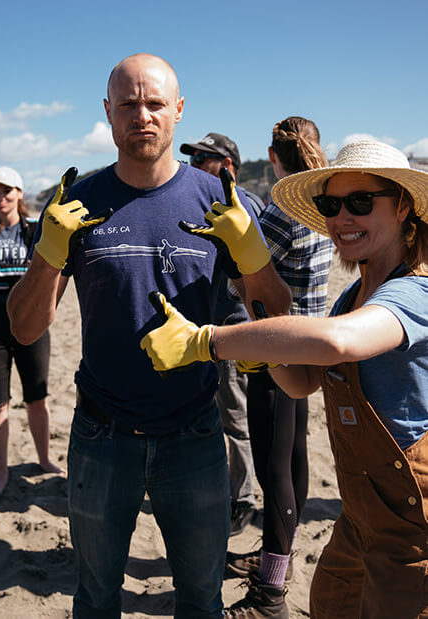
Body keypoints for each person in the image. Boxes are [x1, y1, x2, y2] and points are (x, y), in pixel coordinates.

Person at [8, 53, 291, 618]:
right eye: (130, 104)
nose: (143, 115)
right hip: (100, 435)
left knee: (200, 600)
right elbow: (25, 326)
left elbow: (275, 315)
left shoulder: (219, 203)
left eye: (156, 103)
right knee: (94, 599)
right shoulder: (73, 204)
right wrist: (48, 252)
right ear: (108, 113)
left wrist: (252, 253)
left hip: (195, 433)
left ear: (178, 111)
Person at [141, 140, 428, 618]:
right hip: (359, 519)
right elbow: (304, 382)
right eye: (330, 205)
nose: (342, 218)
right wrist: (265, 355)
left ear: (402, 206)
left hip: (414, 527)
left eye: (360, 202)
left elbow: (339, 343)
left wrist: (209, 341)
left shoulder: (416, 291)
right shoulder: (352, 296)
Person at [222, 117, 333, 617]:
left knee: (274, 465)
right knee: (294, 458)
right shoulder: (322, 207)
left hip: (275, 349)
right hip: (310, 349)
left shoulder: (282, 213)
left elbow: (245, 276)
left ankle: (271, 589)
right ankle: (275, 555)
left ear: (272, 156)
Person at [180, 132, 264, 536]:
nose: (195, 165)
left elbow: (254, 270)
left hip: (232, 324)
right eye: (193, 158)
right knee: (215, 411)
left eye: (203, 159)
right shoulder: (206, 200)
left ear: (227, 165)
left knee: (233, 414)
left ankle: (242, 499)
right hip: (207, 326)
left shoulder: (238, 202)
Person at [0, 166, 62, 494]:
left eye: (7, 190)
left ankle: (45, 460)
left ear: (19, 193)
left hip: (31, 323)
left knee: (37, 399)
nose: (0, 197)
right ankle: (2, 473)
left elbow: (51, 274)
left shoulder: (36, 231)